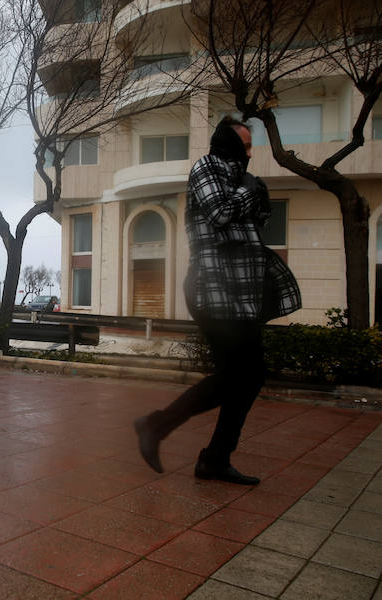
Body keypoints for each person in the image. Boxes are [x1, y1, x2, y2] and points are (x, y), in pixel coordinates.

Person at [134, 117, 301, 485]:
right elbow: (221, 212)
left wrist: (258, 194)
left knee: (247, 377)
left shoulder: (238, 177)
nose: (249, 152)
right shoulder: (207, 166)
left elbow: (256, 219)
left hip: (242, 294)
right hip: (214, 287)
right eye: (244, 144)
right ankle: (160, 427)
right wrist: (247, 189)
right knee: (240, 375)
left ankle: (212, 457)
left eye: (250, 146)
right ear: (226, 142)